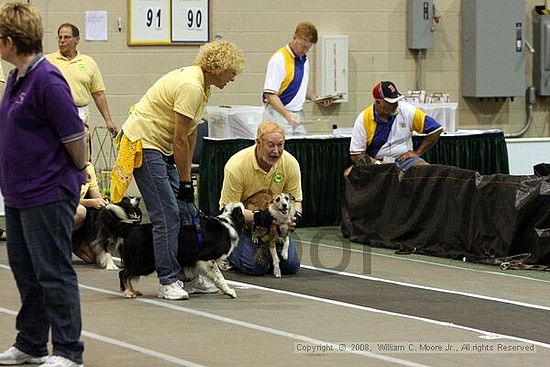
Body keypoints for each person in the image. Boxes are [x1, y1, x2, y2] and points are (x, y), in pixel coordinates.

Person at [110, 39, 245, 300]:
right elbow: (179, 139)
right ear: (219, 67)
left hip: (163, 147)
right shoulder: (191, 87)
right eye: (232, 72)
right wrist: (184, 181)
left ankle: (189, 277)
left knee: (185, 210)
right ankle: (168, 280)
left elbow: (191, 136)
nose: (233, 78)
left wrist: (185, 182)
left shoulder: (205, 87)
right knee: (167, 214)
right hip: (145, 142)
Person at [0, 3, 87, 367]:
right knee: (25, 269)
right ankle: (32, 343)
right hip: (19, 193)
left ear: (9, 41)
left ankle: (68, 350)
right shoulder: (15, 79)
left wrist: (74, 173)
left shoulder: (47, 81)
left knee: (53, 270)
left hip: (48, 192)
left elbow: (75, 137)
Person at [219, 121, 303, 276]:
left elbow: (296, 201)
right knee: (255, 267)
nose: (276, 151)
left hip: (275, 226)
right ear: (258, 143)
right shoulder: (236, 166)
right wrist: (258, 217)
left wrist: (295, 216)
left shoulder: (290, 163)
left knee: (290, 266)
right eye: (271, 145)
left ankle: (267, 252)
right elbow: (228, 210)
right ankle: (229, 253)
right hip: (244, 225)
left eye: (280, 145)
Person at [348, 80, 442, 172]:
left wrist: (418, 152)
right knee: (348, 173)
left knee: (426, 171)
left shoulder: (407, 110)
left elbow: (436, 129)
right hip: (376, 163)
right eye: (391, 102)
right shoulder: (363, 119)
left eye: (397, 100)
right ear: (378, 103)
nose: (396, 105)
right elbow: (356, 155)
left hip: (405, 161)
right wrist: (378, 164)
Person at [45, 23, 117, 137]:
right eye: (60, 37)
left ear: (77, 40)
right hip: (54, 113)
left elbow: (98, 94)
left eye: (66, 37)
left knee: (80, 150)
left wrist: (108, 120)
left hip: (80, 113)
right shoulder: (47, 61)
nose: (62, 40)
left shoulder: (88, 62)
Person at [262, 21, 331, 135]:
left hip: (297, 114)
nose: (305, 50)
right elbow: (270, 94)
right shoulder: (279, 59)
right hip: (278, 114)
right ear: (294, 38)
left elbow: (300, 88)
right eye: (303, 46)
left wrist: (317, 99)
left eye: (308, 47)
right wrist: (287, 115)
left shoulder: (304, 60)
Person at [72, 162, 108, 263]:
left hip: (76, 213)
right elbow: (63, 199)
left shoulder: (89, 167)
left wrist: (104, 202)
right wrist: (89, 202)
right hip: (62, 208)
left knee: (92, 258)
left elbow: (96, 195)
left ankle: (74, 242)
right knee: (80, 211)